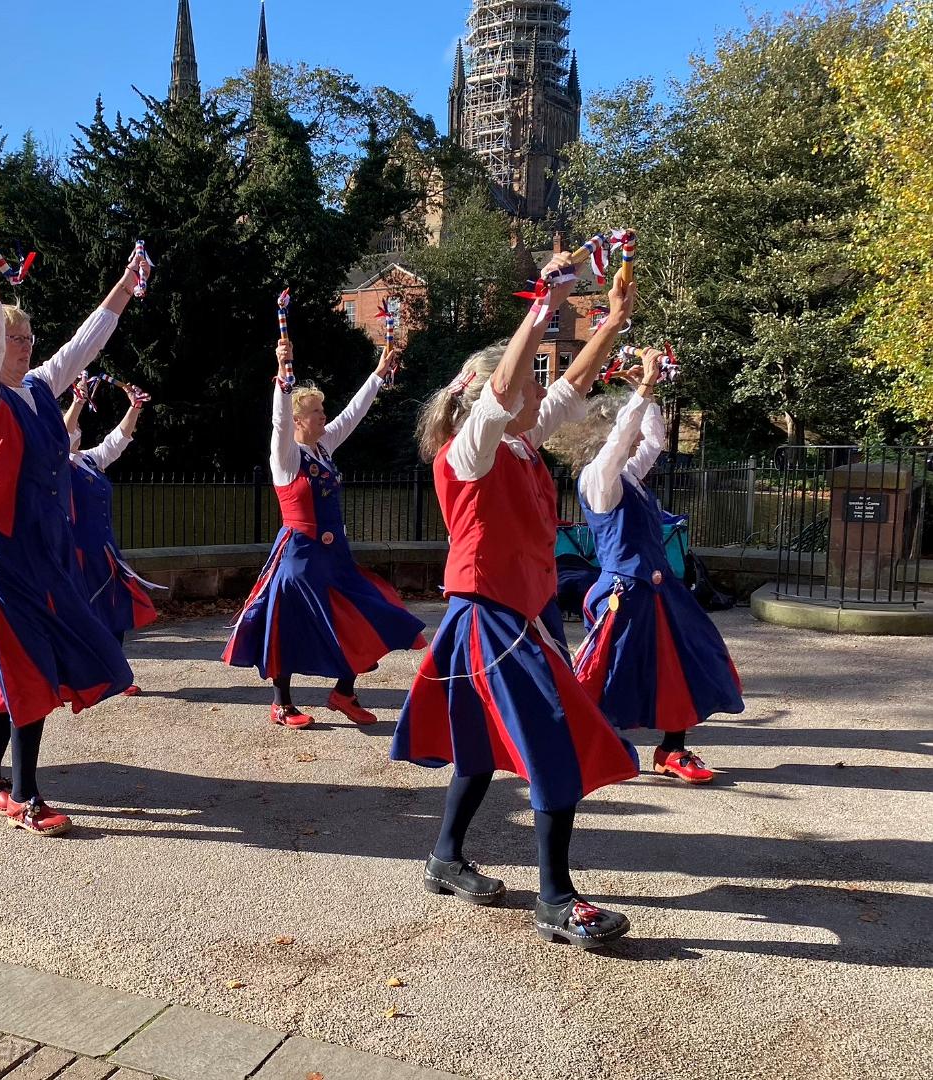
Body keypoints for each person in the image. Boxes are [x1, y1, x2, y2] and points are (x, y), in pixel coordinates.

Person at [391, 258, 641, 949]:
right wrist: (543, 307)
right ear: (488, 395)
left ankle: (444, 858)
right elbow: (502, 393)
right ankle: (556, 899)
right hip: (491, 619)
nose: (539, 390)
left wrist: (613, 321)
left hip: (518, 618)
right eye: (527, 379)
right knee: (554, 740)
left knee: (478, 751)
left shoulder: (523, 447)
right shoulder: (470, 449)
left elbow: (574, 383)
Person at [0, 216, 148, 836]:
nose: (28, 345)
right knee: (25, 658)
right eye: (18, 337)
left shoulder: (39, 390)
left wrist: (123, 286)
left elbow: (85, 345)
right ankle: (27, 791)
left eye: (31, 336)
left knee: (14, 658)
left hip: (38, 544)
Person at [223, 338, 425, 728]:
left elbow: (352, 414)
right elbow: (278, 421)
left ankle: (343, 692)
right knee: (290, 624)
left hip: (335, 556)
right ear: (298, 420)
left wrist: (379, 374)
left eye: (321, 410)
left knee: (371, 611)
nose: (323, 416)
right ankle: (282, 703)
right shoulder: (286, 456)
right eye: (315, 412)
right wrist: (283, 373)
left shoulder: (323, 447)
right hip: (299, 555)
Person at [572, 349, 744, 783]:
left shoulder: (629, 475)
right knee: (609, 673)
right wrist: (644, 388)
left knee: (684, 661)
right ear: (606, 435)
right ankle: (582, 744)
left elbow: (653, 441)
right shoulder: (598, 479)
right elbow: (619, 445)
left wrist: (644, 396)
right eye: (621, 428)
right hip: (623, 593)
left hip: (661, 588)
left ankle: (672, 749)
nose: (629, 438)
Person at [64, 376, 160, 694]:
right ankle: (85, 675)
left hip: (104, 551)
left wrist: (134, 407)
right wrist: (78, 400)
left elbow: (118, 440)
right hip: (77, 554)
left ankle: (114, 672)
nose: (75, 435)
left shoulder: (89, 460)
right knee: (85, 615)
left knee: (115, 611)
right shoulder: (55, 466)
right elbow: (63, 433)